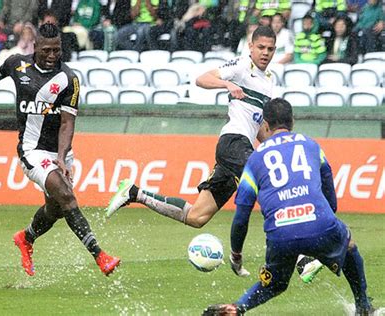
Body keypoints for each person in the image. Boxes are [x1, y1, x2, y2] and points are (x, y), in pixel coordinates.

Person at [0, 23, 121, 277]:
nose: (52, 55)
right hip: (32, 151)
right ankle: (100, 256)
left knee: (55, 209)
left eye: (57, 50)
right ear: (36, 47)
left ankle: (26, 238)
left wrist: (62, 158)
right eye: (47, 50)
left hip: (60, 153)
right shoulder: (17, 64)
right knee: (66, 197)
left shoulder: (69, 79)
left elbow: (67, 123)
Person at [107, 26, 277, 277]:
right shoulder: (241, 66)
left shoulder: (269, 82)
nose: (265, 53)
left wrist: (276, 144)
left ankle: (135, 193)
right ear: (250, 47)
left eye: (270, 49)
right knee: (269, 184)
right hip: (232, 142)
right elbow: (202, 78)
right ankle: (300, 258)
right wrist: (227, 85)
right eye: (260, 47)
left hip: (240, 149)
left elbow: (259, 128)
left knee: (197, 217)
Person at [202, 98, 375, 316]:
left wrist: (236, 253)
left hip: (280, 235)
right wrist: (326, 218)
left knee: (275, 283)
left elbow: (242, 214)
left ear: (265, 124)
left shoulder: (255, 159)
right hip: (320, 225)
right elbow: (328, 183)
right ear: (292, 121)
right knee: (349, 245)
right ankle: (363, 307)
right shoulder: (310, 145)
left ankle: (237, 307)